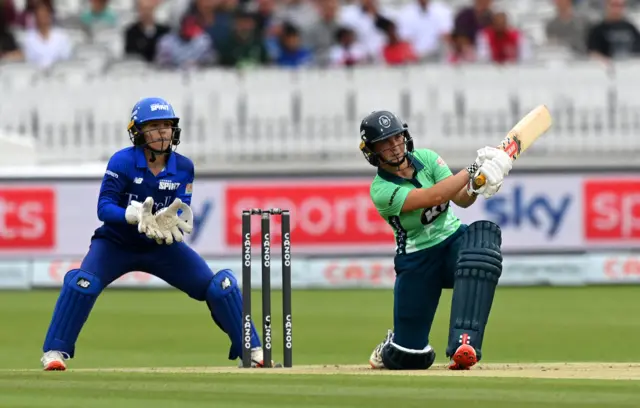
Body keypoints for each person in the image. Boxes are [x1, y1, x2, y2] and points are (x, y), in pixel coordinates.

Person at [40, 97, 270, 371]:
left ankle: (252, 350)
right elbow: (104, 208)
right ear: (137, 132)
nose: (162, 132)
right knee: (81, 283)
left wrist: (168, 223)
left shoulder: (184, 167)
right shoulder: (122, 161)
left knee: (220, 286)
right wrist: (132, 215)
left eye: (166, 126)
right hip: (116, 243)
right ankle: (54, 352)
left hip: (159, 245)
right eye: (153, 126)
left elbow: (178, 207)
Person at [360, 110, 511, 370]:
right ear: (372, 151)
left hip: (453, 242)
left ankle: (465, 344)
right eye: (384, 143)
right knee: (411, 357)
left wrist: (476, 185)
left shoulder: (427, 158)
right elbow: (432, 197)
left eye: (396, 138)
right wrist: (474, 167)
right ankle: (390, 345)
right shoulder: (381, 190)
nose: (394, 147)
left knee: (483, 240)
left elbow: (461, 198)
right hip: (417, 261)